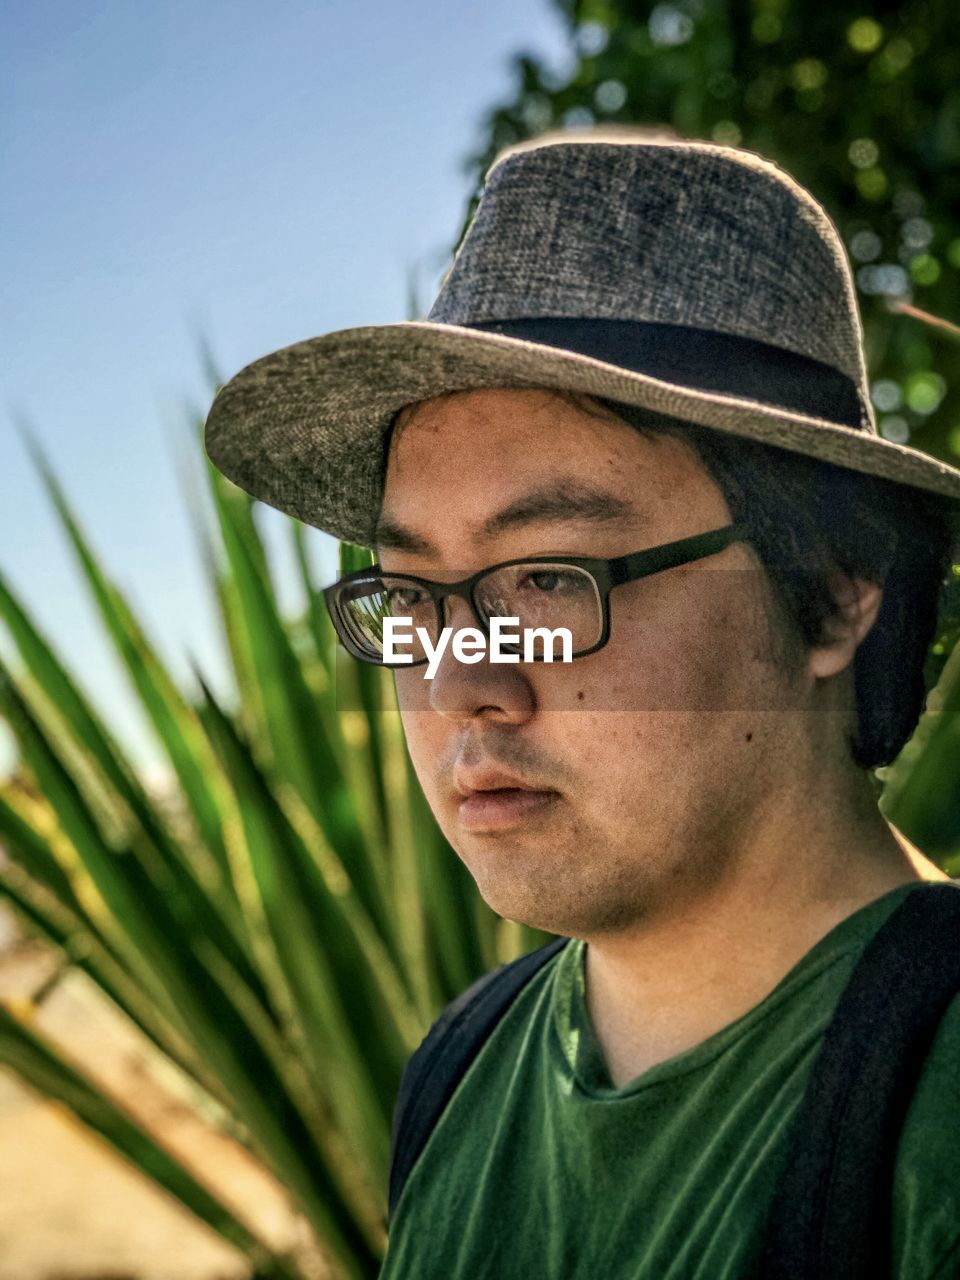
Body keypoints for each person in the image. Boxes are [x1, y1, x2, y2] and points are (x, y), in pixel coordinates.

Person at [204, 129, 960, 1277]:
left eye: (550, 577)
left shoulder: (933, 1112)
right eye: (412, 595)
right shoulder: (460, 1065)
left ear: (838, 592)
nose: (460, 683)